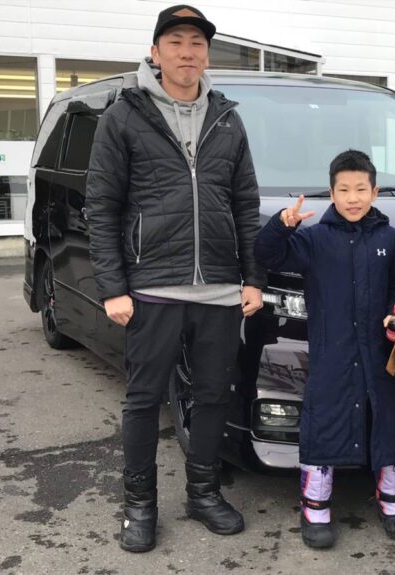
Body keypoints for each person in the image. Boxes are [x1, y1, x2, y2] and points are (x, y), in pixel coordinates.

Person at [85, 4, 266, 553]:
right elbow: (102, 206)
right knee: (143, 400)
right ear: (155, 51)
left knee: (211, 396)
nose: (188, 52)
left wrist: (252, 278)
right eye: (176, 42)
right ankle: (139, 506)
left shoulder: (227, 118)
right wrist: (113, 287)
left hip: (220, 289)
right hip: (152, 288)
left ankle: (203, 494)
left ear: (206, 54)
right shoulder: (124, 116)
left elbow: (245, 204)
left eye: (197, 43)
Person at [254, 150, 395, 549]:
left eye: (361, 189)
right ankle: (315, 506)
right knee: (324, 420)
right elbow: (267, 255)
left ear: (375, 192)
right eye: (344, 190)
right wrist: (281, 225)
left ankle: (393, 500)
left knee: (387, 419)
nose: (352, 198)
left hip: (380, 353)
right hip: (332, 351)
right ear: (331, 193)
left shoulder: (390, 239)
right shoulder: (314, 239)